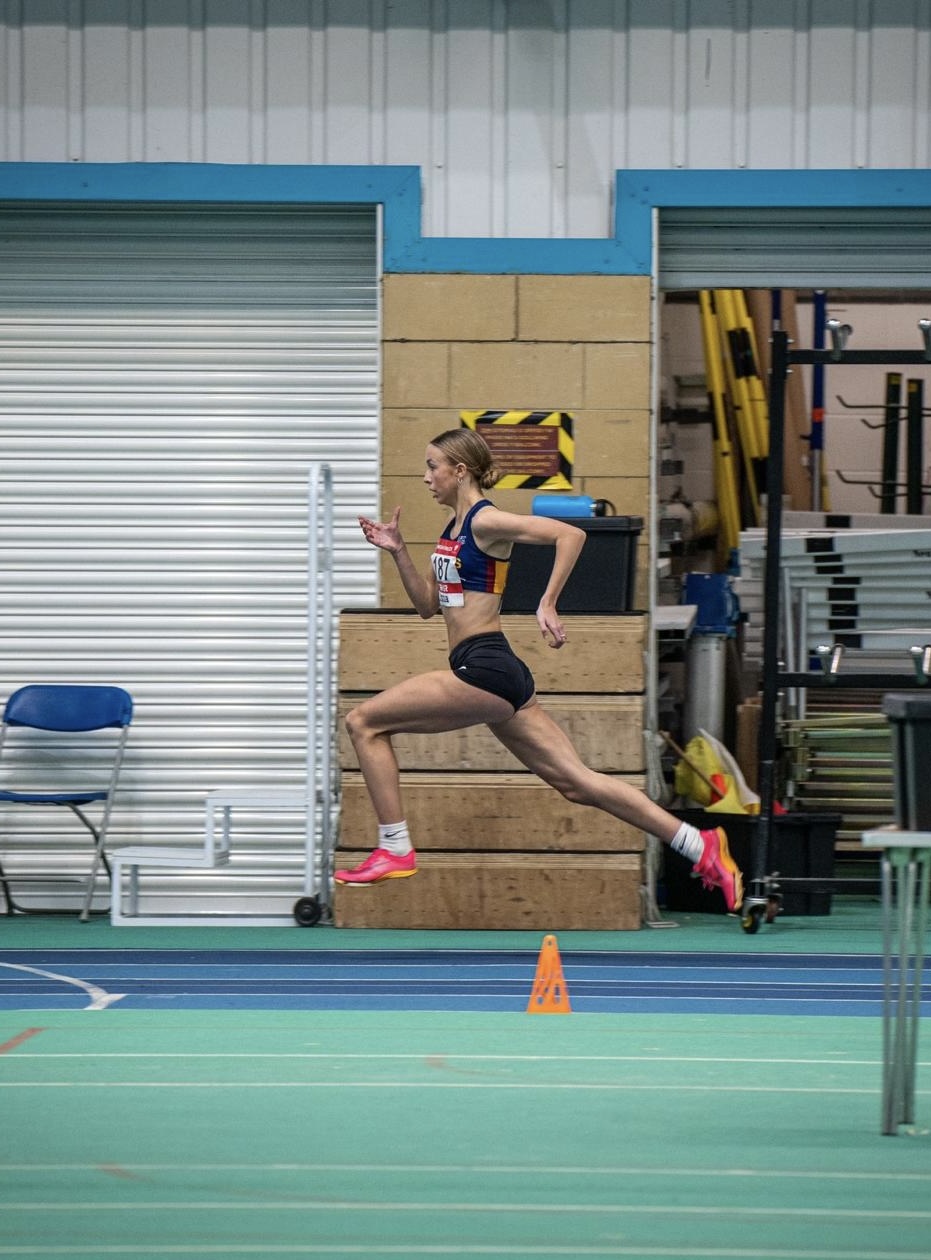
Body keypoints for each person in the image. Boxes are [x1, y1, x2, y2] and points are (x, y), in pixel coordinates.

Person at [334, 428, 744, 912]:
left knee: (363, 723)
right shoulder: (451, 530)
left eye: (432, 466)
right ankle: (700, 845)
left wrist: (547, 602)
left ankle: (394, 846)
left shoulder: (486, 521)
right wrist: (398, 550)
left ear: (459, 471)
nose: (426, 477)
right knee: (577, 783)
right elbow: (427, 606)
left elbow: (570, 534)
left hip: (483, 668)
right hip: (495, 670)